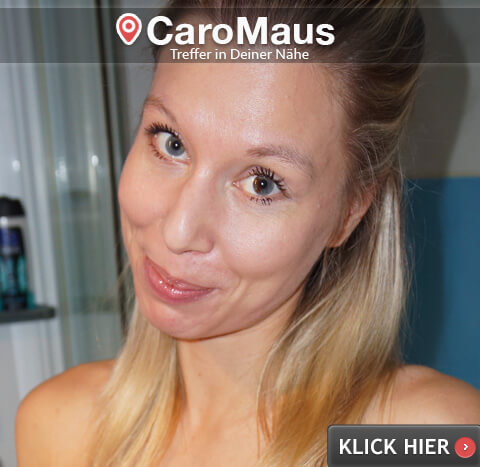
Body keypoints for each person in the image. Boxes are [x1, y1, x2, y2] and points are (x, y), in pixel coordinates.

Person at [15, 1, 480, 466]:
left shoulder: (425, 438)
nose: (179, 231)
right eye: (170, 143)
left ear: (350, 212)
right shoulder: (59, 427)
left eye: (262, 183)